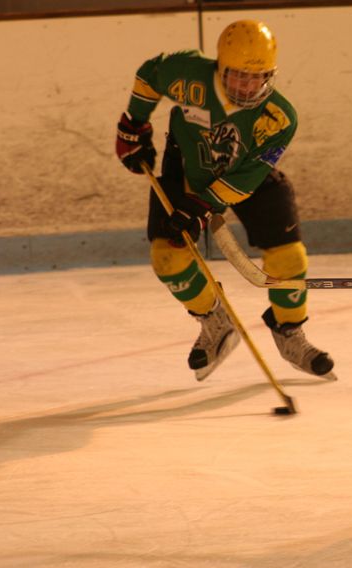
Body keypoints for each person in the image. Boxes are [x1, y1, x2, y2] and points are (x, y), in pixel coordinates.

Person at [114, 19, 335, 381]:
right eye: (238, 76)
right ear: (220, 66)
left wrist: (204, 205)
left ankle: (290, 330)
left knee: (289, 257)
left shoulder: (280, 117)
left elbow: (248, 176)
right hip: (185, 166)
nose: (249, 87)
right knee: (167, 258)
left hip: (246, 176)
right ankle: (215, 321)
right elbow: (149, 74)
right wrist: (133, 124)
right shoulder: (188, 74)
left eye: (259, 77)